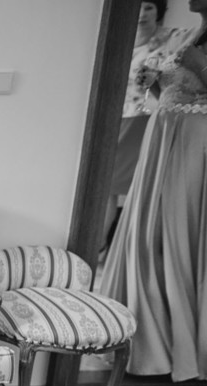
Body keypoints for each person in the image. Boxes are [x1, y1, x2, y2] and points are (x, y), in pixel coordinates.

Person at [100, 1, 207, 382]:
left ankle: (177, 344)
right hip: (162, 138)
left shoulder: (180, 36)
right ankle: (145, 332)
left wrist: (191, 68)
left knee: (180, 235)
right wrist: (160, 79)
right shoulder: (194, 31)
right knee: (149, 231)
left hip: (194, 145)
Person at [103, 1, 178, 250]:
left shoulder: (171, 40)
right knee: (108, 186)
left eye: (148, 7)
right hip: (113, 116)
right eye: (137, 7)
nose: (141, 14)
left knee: (132, 185)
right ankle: (100, 247)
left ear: (158, 10)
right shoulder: (116, 38)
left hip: (144, 117)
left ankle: (126, 249)